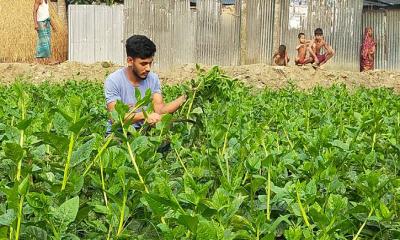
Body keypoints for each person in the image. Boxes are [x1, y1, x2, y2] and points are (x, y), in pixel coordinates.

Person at [104, 35, 187, 134]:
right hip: (119, 133)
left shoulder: (153, 79)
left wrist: (185, 97)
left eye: (150, 63)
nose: (148, 68)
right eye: (143, 64)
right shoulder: (114, 80)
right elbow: (116, 118)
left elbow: (159, 110)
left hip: (143, 132)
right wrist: (145, 115)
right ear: (130, 61)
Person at [33, 0, 56, 64]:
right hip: (41, 23)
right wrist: (35, 24)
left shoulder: (47, 2)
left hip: (47, 22)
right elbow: (34, 11)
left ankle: (37, 60)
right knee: (45, 41)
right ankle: (49, 59)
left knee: (46, 41)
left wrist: (53, 26)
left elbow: (47, 16)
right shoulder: (39, 0)